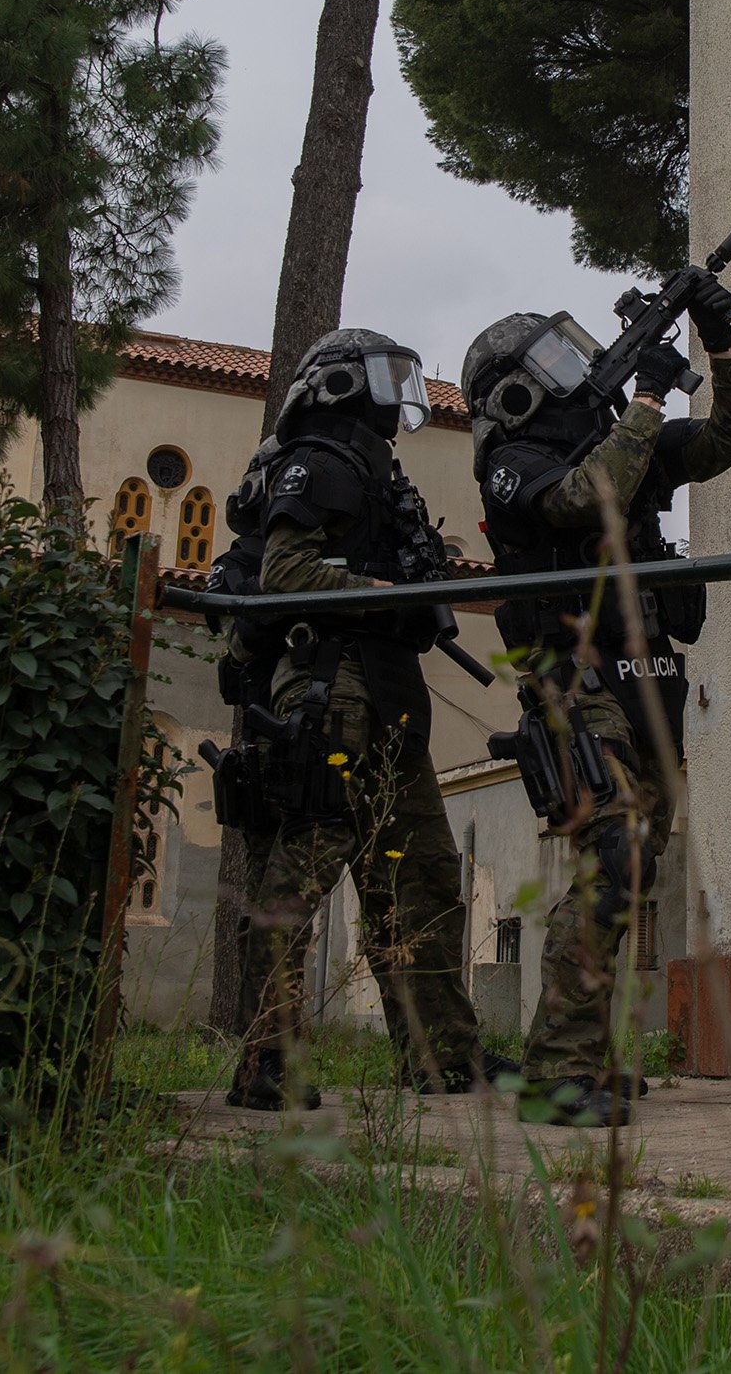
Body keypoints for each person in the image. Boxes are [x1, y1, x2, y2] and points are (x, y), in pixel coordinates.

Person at [466, 283, 731, 1126]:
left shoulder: (617, 440)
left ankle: (583, 1052)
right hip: (572, 673)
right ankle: (557, 1070)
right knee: (617, 847)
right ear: (511, 389)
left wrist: (722, 343)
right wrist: (642, 401)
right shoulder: (514, 460)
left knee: (638, 864)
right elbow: (579, 499)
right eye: (551, 362)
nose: (574, 368)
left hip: (648, 673)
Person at [214, 328, 516, 1110]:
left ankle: (444, 1057)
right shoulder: (321, 462)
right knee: (302, 872)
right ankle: (267, 1065)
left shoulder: (375, 473)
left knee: (421, 879)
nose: (396, 393)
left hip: (386, 692)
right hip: (330, 688)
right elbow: (284, 572)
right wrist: (387, 589)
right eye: (383, 377)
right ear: (342, 385)